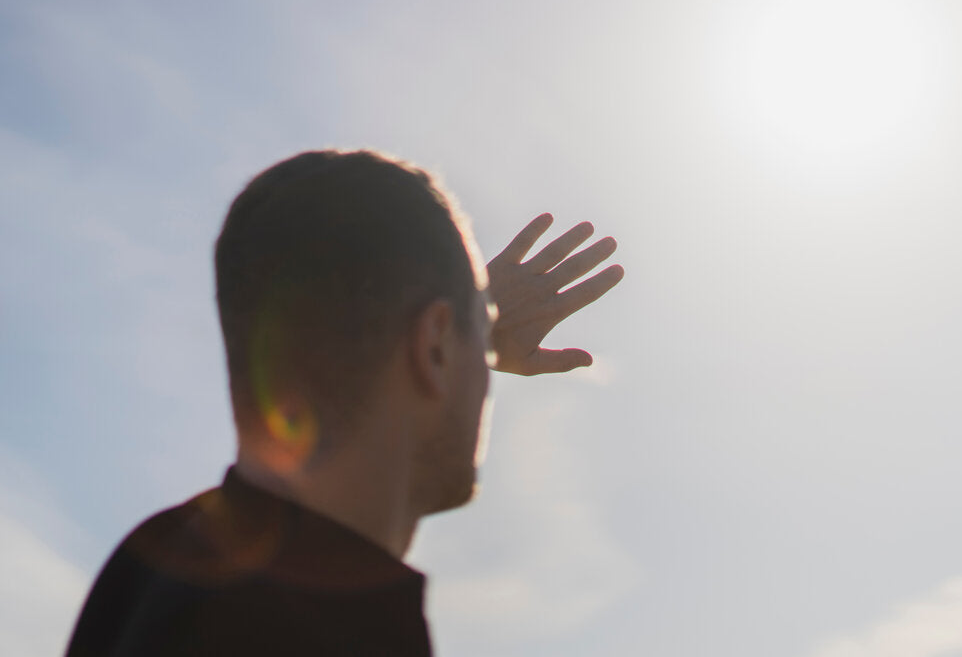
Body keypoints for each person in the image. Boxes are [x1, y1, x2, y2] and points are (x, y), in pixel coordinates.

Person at [65, 149, 624, 657]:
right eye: (480, 332)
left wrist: (466, 331)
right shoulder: (344, 632)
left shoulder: (149, 566)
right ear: (431, 346)